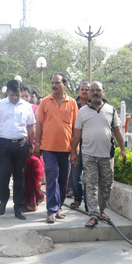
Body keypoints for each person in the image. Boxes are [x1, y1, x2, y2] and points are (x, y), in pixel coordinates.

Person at [70, 81, 126, 228]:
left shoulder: (111, 110)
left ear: (103, 92)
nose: (95, 92)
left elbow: (118, 132)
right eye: (92, 90)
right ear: (88, 94)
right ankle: (93, 215)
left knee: (107, 185)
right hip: (89, 154)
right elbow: (77, 134)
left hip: (107, 155)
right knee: (91, 184)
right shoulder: (82, 112)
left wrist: (123, 150)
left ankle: (100, 210)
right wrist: (73, 152)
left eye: (98, 90)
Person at [34, 72, 78, 223]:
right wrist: (37, 144)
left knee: (63, 180)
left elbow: (76, 128)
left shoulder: (72, 103)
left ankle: (59, 207)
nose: (54, 85)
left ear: (64, 85)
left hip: (66, 149)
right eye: (52, 83)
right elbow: (39, 124)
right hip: (48, 148)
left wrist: (75, 149)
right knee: (52, 176)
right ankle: (51, 210)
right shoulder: (45, 102)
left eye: (57, 83)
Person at [0, 79, 36, 220]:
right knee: (3, 174)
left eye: (18, 94)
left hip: (21, 145)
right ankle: (3, 201)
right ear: (7, 92)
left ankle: (18, 207)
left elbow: (30, 127)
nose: (15, 97)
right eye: (13, 94)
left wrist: (31, 145)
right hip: (4, 145)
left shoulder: (26, 106)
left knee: (19, 177)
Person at [21, 85, 45, 212]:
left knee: (34, 169)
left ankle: (35, 196)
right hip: (19, 145)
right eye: (22, 96)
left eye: (26, 96)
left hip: (34, 144)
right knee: (23, 174)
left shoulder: (36, 109)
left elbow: (42, 126)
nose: (24, 98)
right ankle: (28, 200)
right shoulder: (15, 108)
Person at [68, 80, 90, 210]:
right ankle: (77, 198)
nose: (85, 91)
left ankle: (88, 202)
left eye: (87, 89)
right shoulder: (72, 104)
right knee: (76, 174)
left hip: (89, 144)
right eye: (82, 89)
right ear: (79, 91)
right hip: (75, 143)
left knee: (89, 175)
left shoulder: (95, 105)